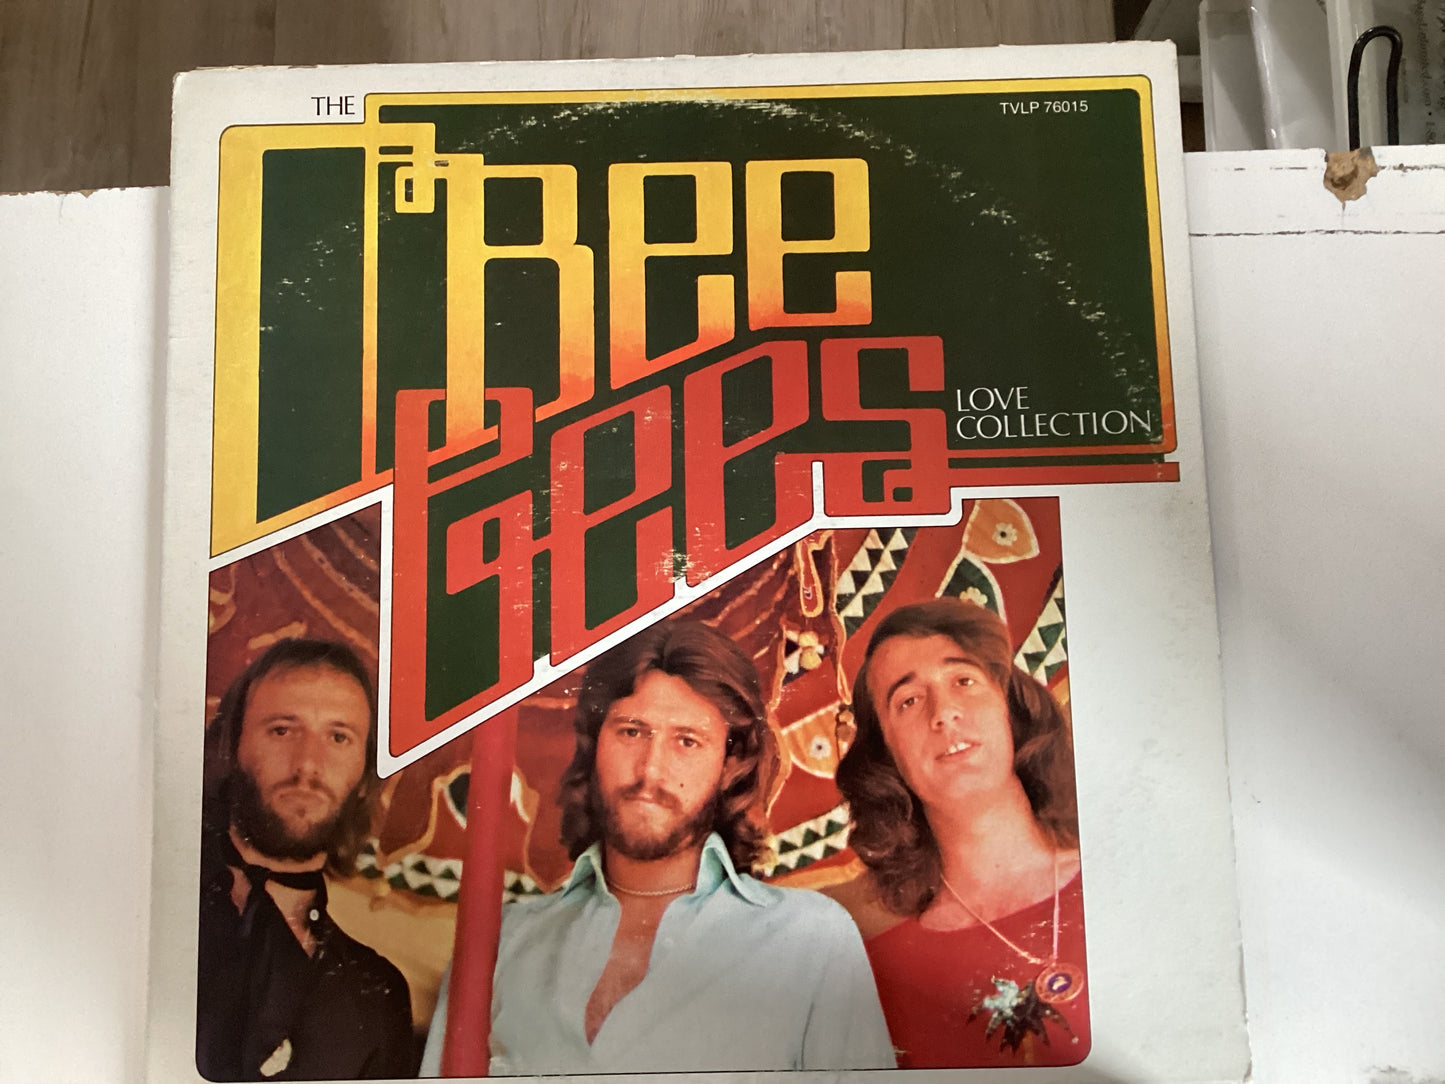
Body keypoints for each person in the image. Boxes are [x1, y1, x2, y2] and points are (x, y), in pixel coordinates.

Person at [423, 619, 895, 1075]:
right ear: (594, 743)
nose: (650, 770)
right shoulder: (501, 944)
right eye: (631, 731)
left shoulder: (810, 941)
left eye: (687, 741)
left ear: (730, 764)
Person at [831, 598, 1089, 1069]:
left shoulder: (1124, 875)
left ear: (1010, 706)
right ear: (886, 757)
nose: (944, 712)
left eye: (963, 681)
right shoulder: (872, 972)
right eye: (908, 701)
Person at [196, 638, 416, 1081]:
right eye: (282, 730)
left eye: (338, 737)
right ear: (232, 747)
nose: (308, 765)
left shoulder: (377, 995)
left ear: (364, 774)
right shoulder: (153, 914)